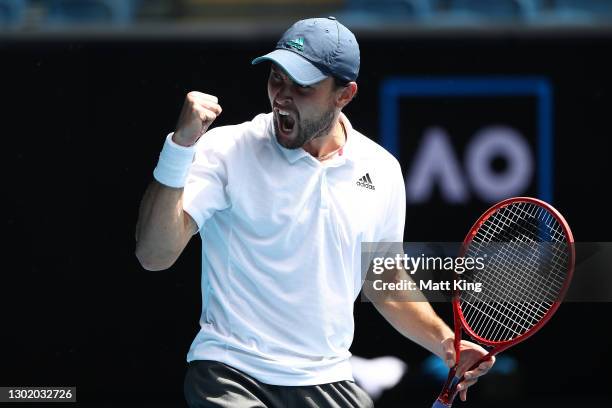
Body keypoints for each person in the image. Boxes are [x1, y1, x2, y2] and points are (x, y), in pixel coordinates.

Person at [135, 17, 494, 407]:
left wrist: (445, 342)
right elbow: (153, 256)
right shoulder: (225, 149)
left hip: (329, 381)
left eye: (303, 86)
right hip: (232, 373)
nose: (282, 97)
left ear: (345, 94)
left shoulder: (381, 169)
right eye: (276, 78)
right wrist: (179, 148)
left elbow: (384, 279)